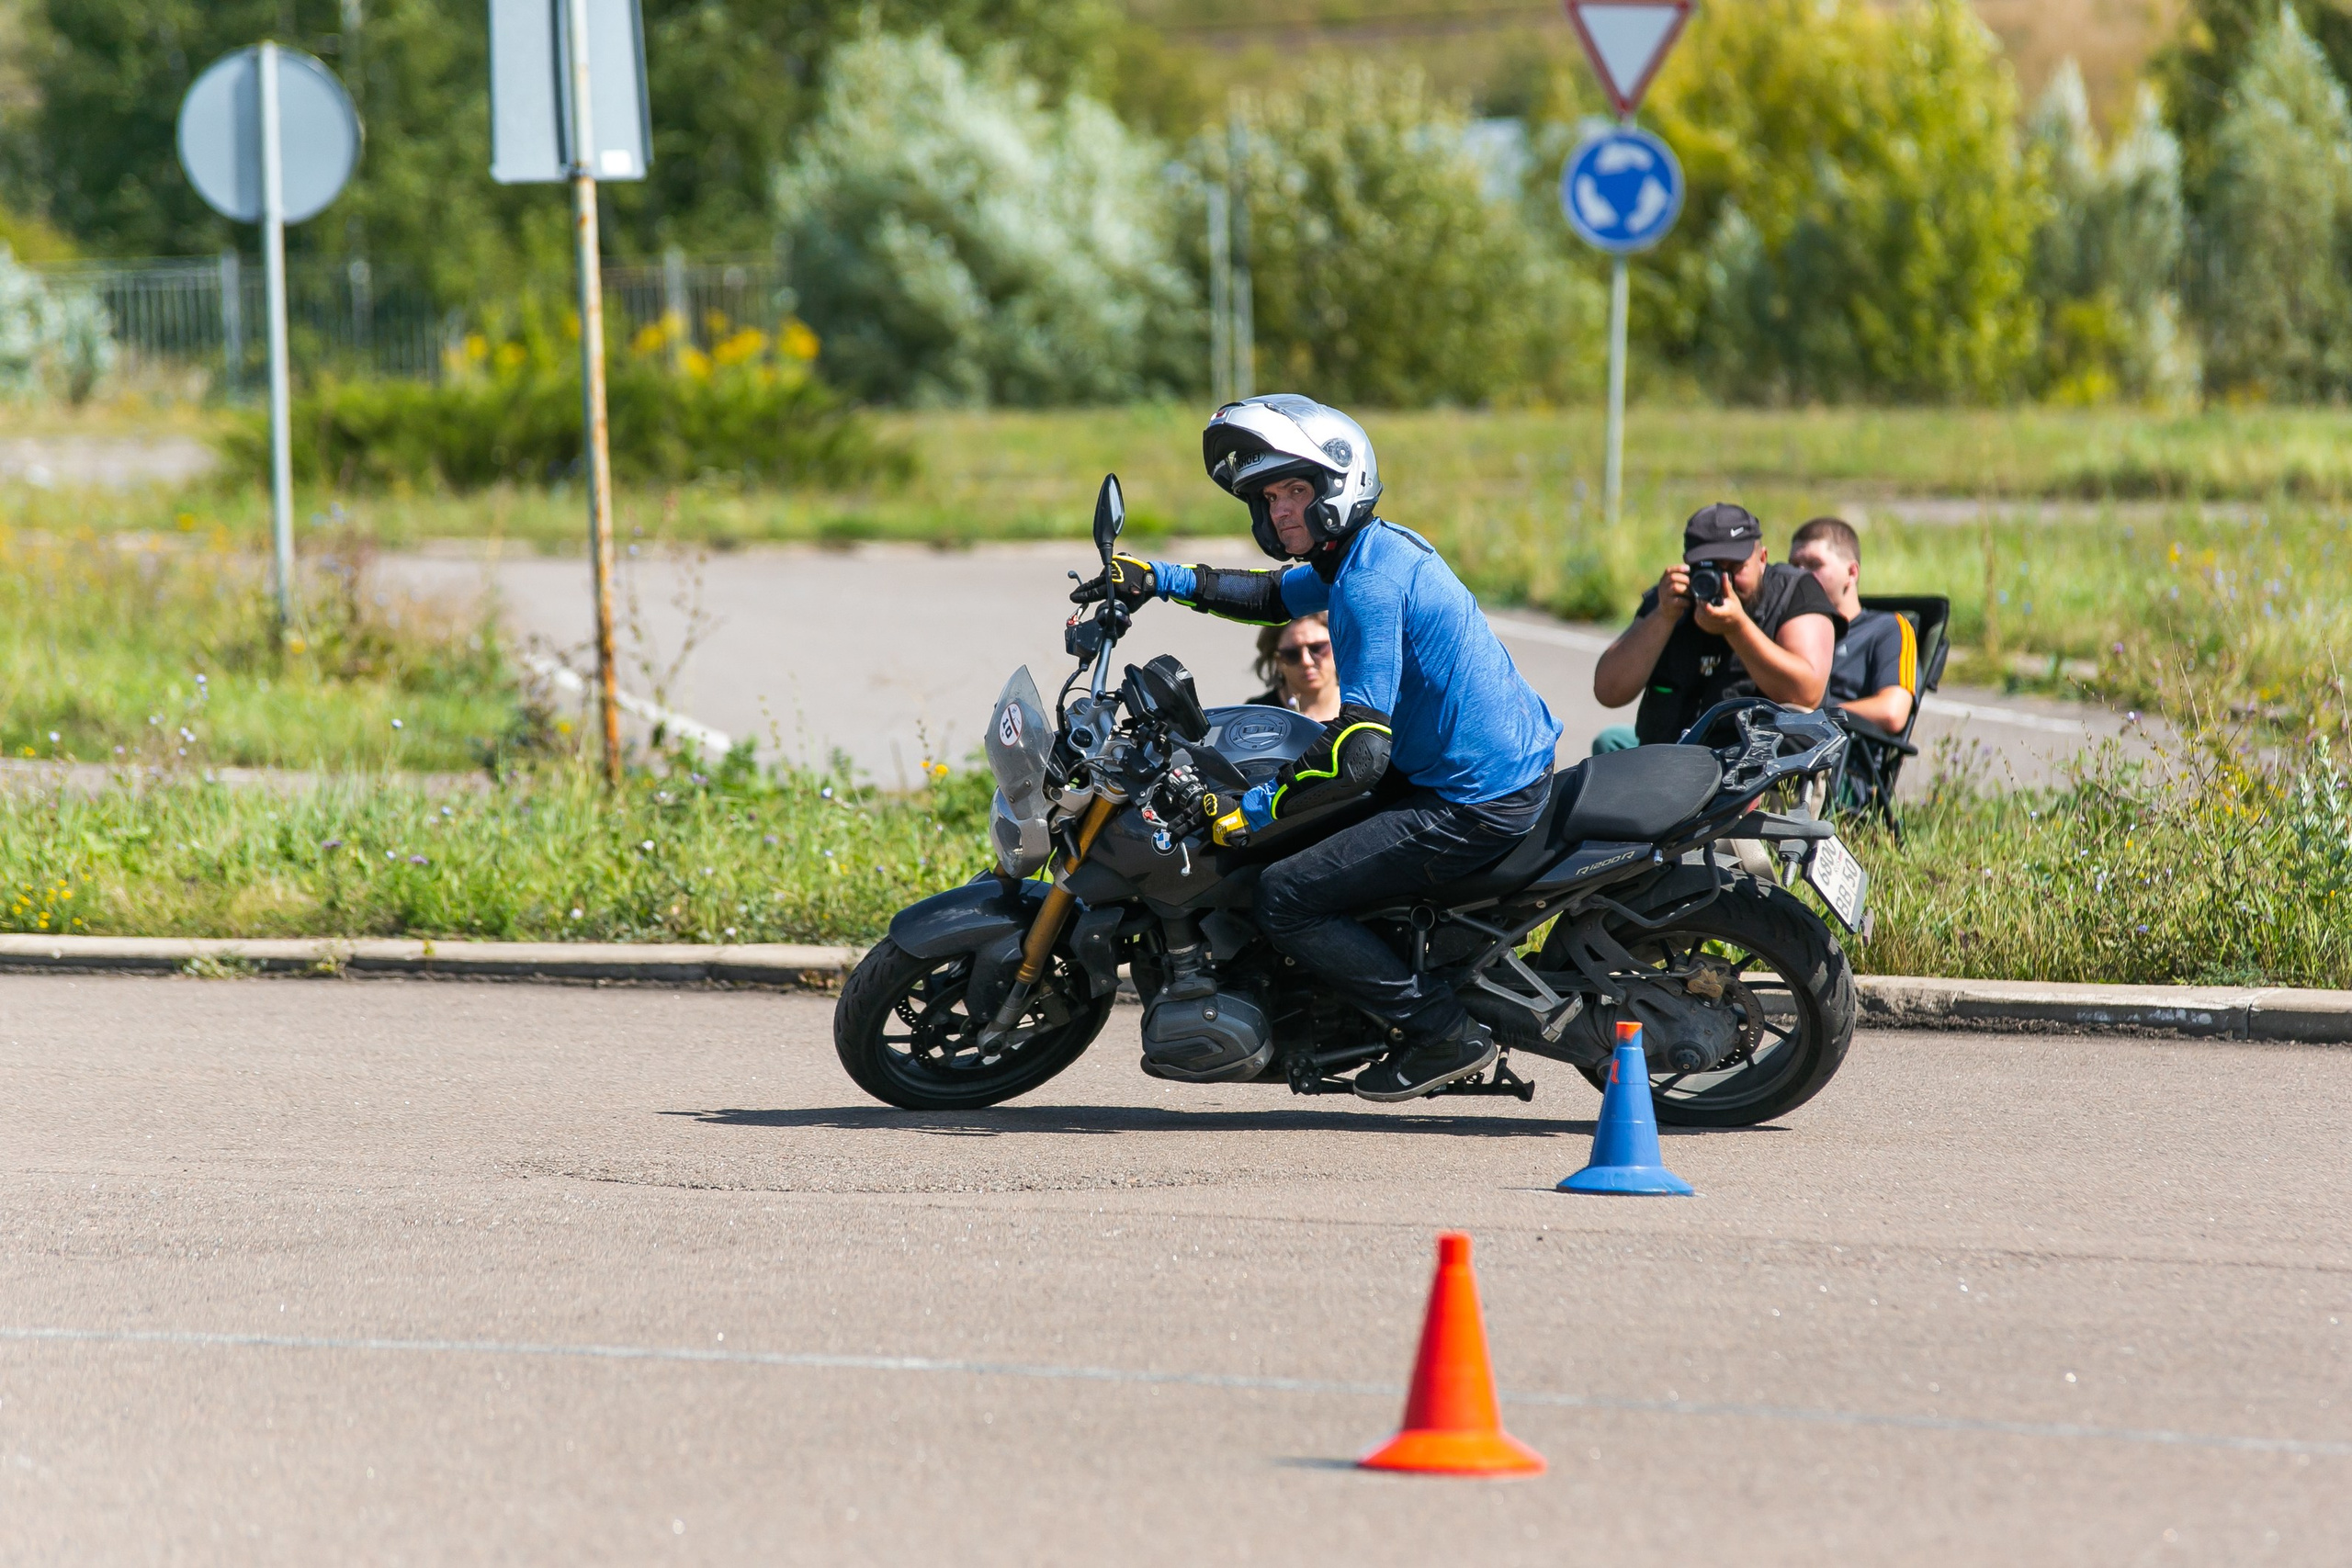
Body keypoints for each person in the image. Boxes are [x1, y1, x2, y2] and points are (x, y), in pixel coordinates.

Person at [1072, 393, 1561, 1102]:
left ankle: (1441, 1032)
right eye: (1270, 497)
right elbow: (1273, 597)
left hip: (1476, 798)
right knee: (1294, 832)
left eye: (1295, 491)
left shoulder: (1368, 581)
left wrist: (1255, 810)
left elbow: (1358, 751)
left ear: (1339, 482)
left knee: (1287, 893)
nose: (1280, 512)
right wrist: (1157, 579)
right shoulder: (1364, 552)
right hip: (1470, 767)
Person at [1589, 502, 1840, 750]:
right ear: (1689, 564)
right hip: (1666, 769)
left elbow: (1807, 694)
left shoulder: (1794, 593)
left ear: (1762, 559)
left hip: (1757, 776)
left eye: (1734, 568)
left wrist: (1738, 629)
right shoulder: (1670, 600)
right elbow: (1609, 692)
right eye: (1710, 569)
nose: (1724, 581)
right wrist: (1663, 617)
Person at [1788, 516, 1916, 735]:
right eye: (1794, 566)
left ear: (1851, 573)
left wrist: (1816, 717)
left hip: (1843, 756)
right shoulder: (1787, 630)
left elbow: (1892, 712)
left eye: (1814, 565)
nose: (1800, 575)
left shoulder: (1887, 629)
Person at [1246, 613, 1340, 720]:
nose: (1306, 661)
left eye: (1317, 648)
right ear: (1277, 661)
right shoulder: (1255, 715)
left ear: (1337, 646)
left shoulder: (1360, 707)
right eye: (1291, 654)